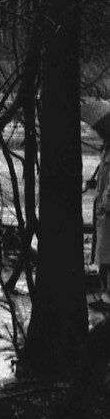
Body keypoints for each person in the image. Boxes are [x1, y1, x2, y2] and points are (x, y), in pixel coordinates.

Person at [91, 131, 110, 310]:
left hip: (107, 213)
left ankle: (107, 295)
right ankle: (105, 293)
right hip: (102, 213)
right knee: (102, 255)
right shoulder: (104, 154)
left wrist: (104, 203)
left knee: (106, 255)